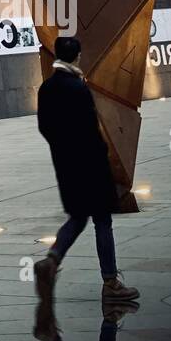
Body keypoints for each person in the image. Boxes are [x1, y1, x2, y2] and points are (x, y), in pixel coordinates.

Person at [33, 36, 139, 322]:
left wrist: (63, 151)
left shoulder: (46, 88)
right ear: (77, 57)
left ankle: (52, 260)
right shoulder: (77, 87)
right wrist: (103, 159)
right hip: (90, 167)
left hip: (66, 167)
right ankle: (111, 283)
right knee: (102, 221)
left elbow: (44, 127)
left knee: (78, 218)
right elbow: (91, 132)